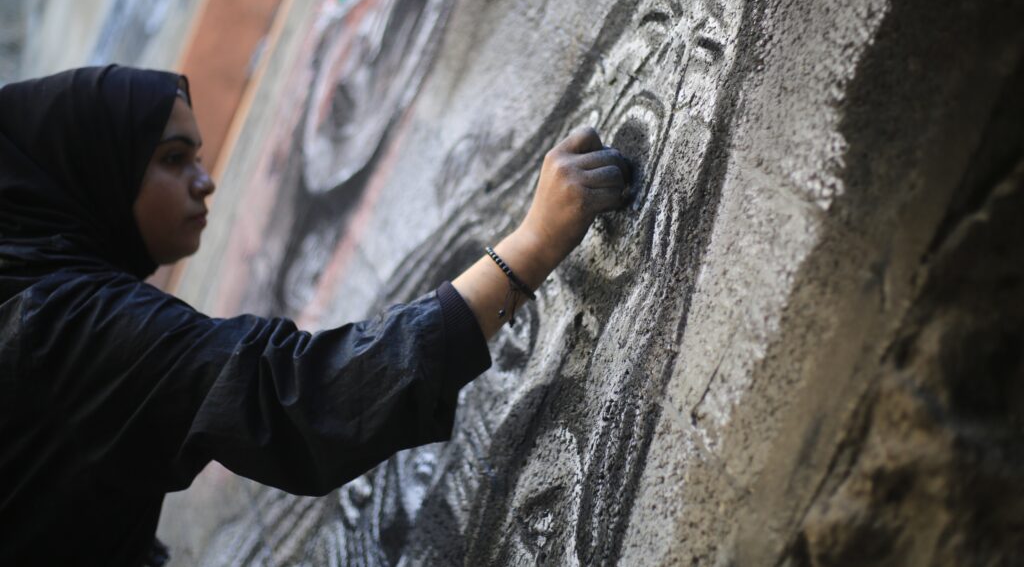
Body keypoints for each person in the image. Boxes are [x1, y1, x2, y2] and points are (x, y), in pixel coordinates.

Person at [0, 64, 630, 566]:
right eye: (172, 159)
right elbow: (294, 397)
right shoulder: (60, 328)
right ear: (94, 173)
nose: (205, 180)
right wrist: (532, 245)